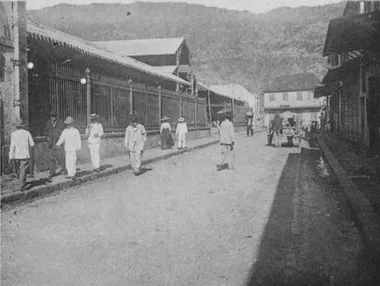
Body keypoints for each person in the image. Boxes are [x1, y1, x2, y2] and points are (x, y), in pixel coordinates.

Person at [9, 119, 35, 191]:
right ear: (23, 126)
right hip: (24, 154)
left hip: (16, 154)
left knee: (19, 170)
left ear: (16, 127)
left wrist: (11, 156)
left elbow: (12, 146)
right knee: (23, 169)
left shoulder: (13, 134)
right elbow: (32, 144)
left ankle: (21, 181)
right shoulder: (27, 133)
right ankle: (21, 185)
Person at [43, 111, 66, 182]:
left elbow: (63, 132)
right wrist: (47, 136)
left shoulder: (61, 123)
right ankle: (52, 172)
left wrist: (58, 136)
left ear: (56, 117)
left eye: (54, 116)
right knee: (51, 158)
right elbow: (45, 131)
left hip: (58, 143)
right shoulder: (48, 123)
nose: (52, 118)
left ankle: (63, 169)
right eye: (51, 117)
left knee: (60, 157)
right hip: (51, 143)